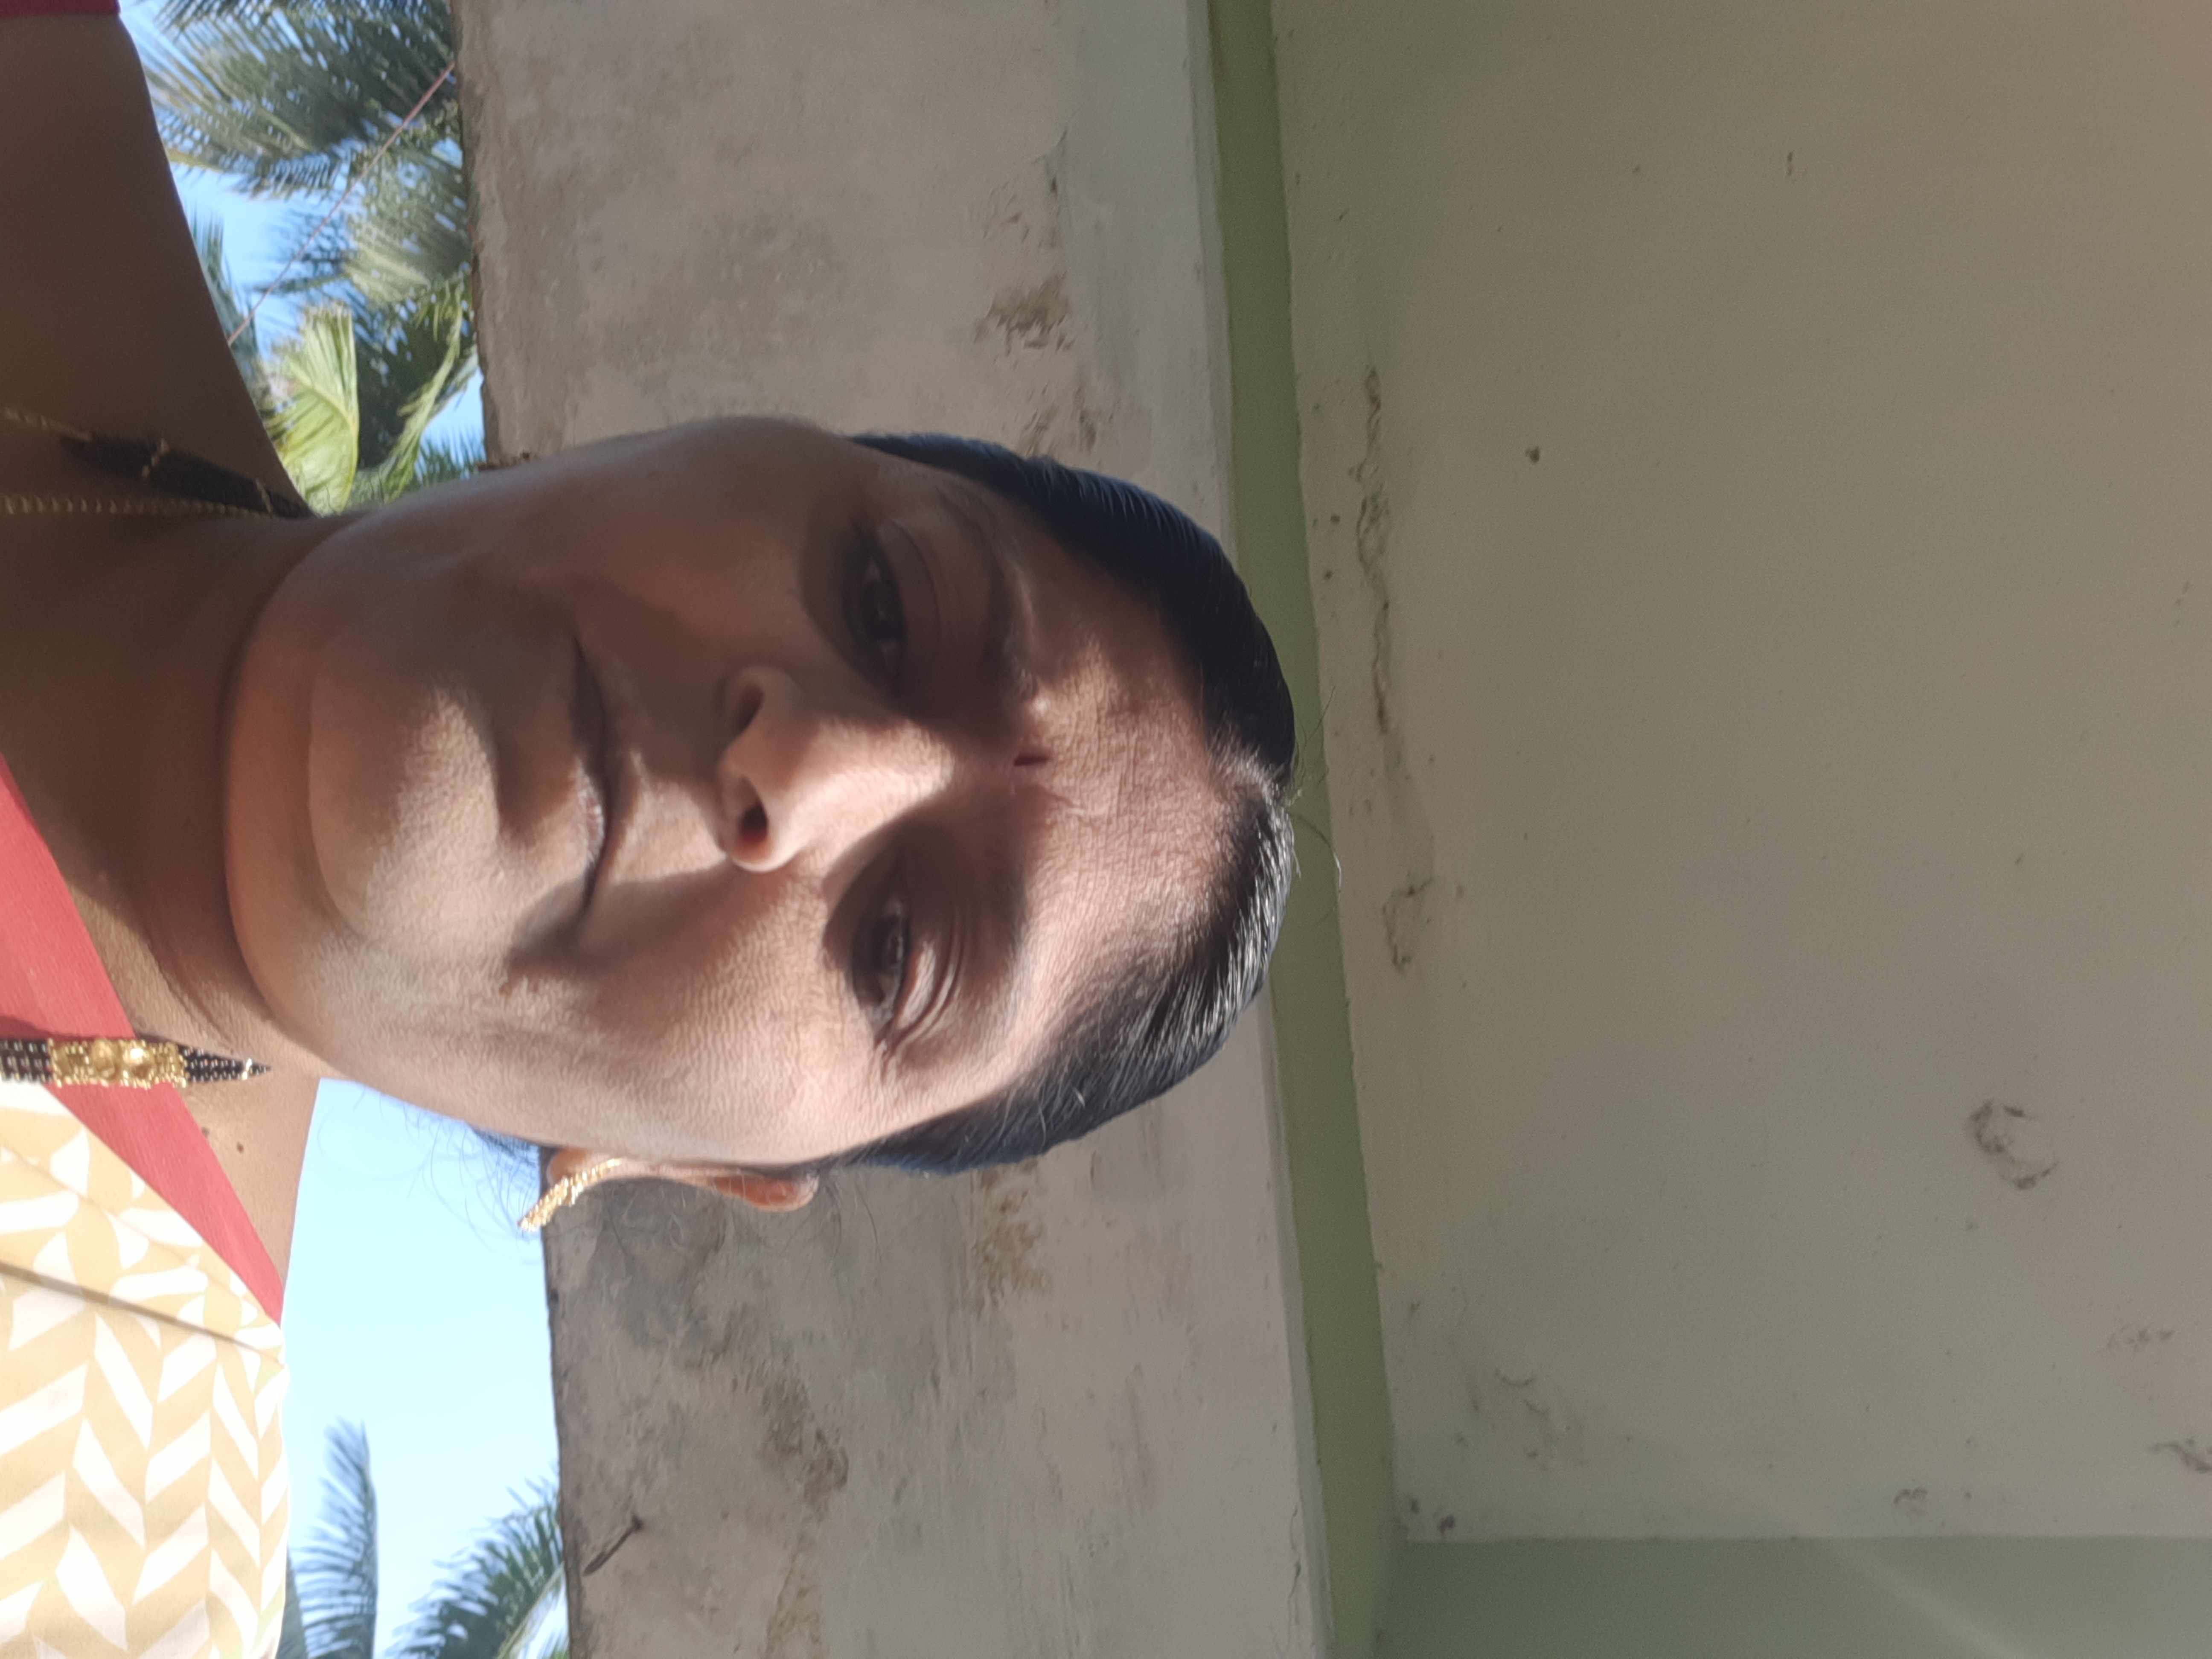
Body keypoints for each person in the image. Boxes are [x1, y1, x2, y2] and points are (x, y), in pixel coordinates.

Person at [0, 1, 1298, 1652]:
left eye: (897, 950)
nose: (804, 766)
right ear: (651, 443)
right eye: (886, 603)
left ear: (699, 1167)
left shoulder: (100, 1554)